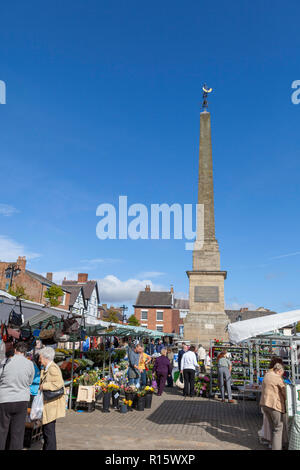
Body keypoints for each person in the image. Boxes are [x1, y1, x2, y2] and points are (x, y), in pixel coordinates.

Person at [0, 342, 35, 450]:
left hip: (4, 399)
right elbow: (30, 381)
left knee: (2, 430)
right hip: (21, 400)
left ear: (15, 350)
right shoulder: (30, 364)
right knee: (18, 432)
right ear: (25, 352)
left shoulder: (5, 362)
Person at [39, 347, 66, 450]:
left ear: (46, 358)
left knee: (49, 432)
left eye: (40, 358)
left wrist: (44, 386)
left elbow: (58, 384)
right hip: (49, 404)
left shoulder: (53, 368)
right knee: (47, 431)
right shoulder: (47, 368)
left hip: (51, 405)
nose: (39, 360)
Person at [260, 362, 287, 450]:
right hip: (274, 405)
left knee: (272, 427)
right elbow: (284, 392)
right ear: (279, 371)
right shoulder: (277, 378)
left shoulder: (267, 375)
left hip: (265, 404)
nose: (282, 375)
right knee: (278, 428)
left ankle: (272, 445)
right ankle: (277, 448)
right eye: (282, 373)